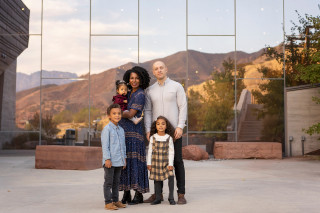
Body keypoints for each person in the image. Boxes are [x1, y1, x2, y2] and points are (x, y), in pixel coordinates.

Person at [144, 61, 187, 204]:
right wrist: (148, 129)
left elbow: (183, 107)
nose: (159, 70)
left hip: (174, 132)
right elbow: (148, 111)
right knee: (157, 163)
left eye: (161, 67)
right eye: (156, 69)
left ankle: (181, 194)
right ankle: (158, 194)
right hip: (157, 133)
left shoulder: (176, 87)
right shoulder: (150, 90)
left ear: (166, 69)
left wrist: (180, 126)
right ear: (153, 72)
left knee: (177, 161)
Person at [118, 66, 151, 205]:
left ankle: (138, 195)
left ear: (141, 79)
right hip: (124, 132)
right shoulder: (128, 92)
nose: (134, 80)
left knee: (136, 163)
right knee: (126, 163)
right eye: (132, 78)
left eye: (137, 78)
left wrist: (115, 112)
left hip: (135, 133)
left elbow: (131, 114)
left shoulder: (140, 94)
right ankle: (126, 194)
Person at [101, 104, 127, 210]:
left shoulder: (121, 130)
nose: (117, 115)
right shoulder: (107, 129)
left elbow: (123, 146)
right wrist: (107, 158)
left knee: (116, 182)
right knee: (108, 182)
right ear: (109, 115)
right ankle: (108, 202)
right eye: (114, 113)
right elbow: (105, 145)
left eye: (119, 113)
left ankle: (116, 200)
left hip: (119, 161)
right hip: (110, 161)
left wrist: (124, 158)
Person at [147, 116, 176, 205]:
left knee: (171, 177)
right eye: (158, 124)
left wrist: (170, 163)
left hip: (166, 163)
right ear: (155, 126)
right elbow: (150, 151)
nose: (160, 126)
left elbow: (171, 151)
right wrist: (149, 163)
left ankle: (171, 198)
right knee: (157, 180)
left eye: (163, 124)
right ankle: (158, 198)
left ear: (166, 126)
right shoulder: (153, 137)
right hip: (156, 162)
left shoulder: (169, 138)